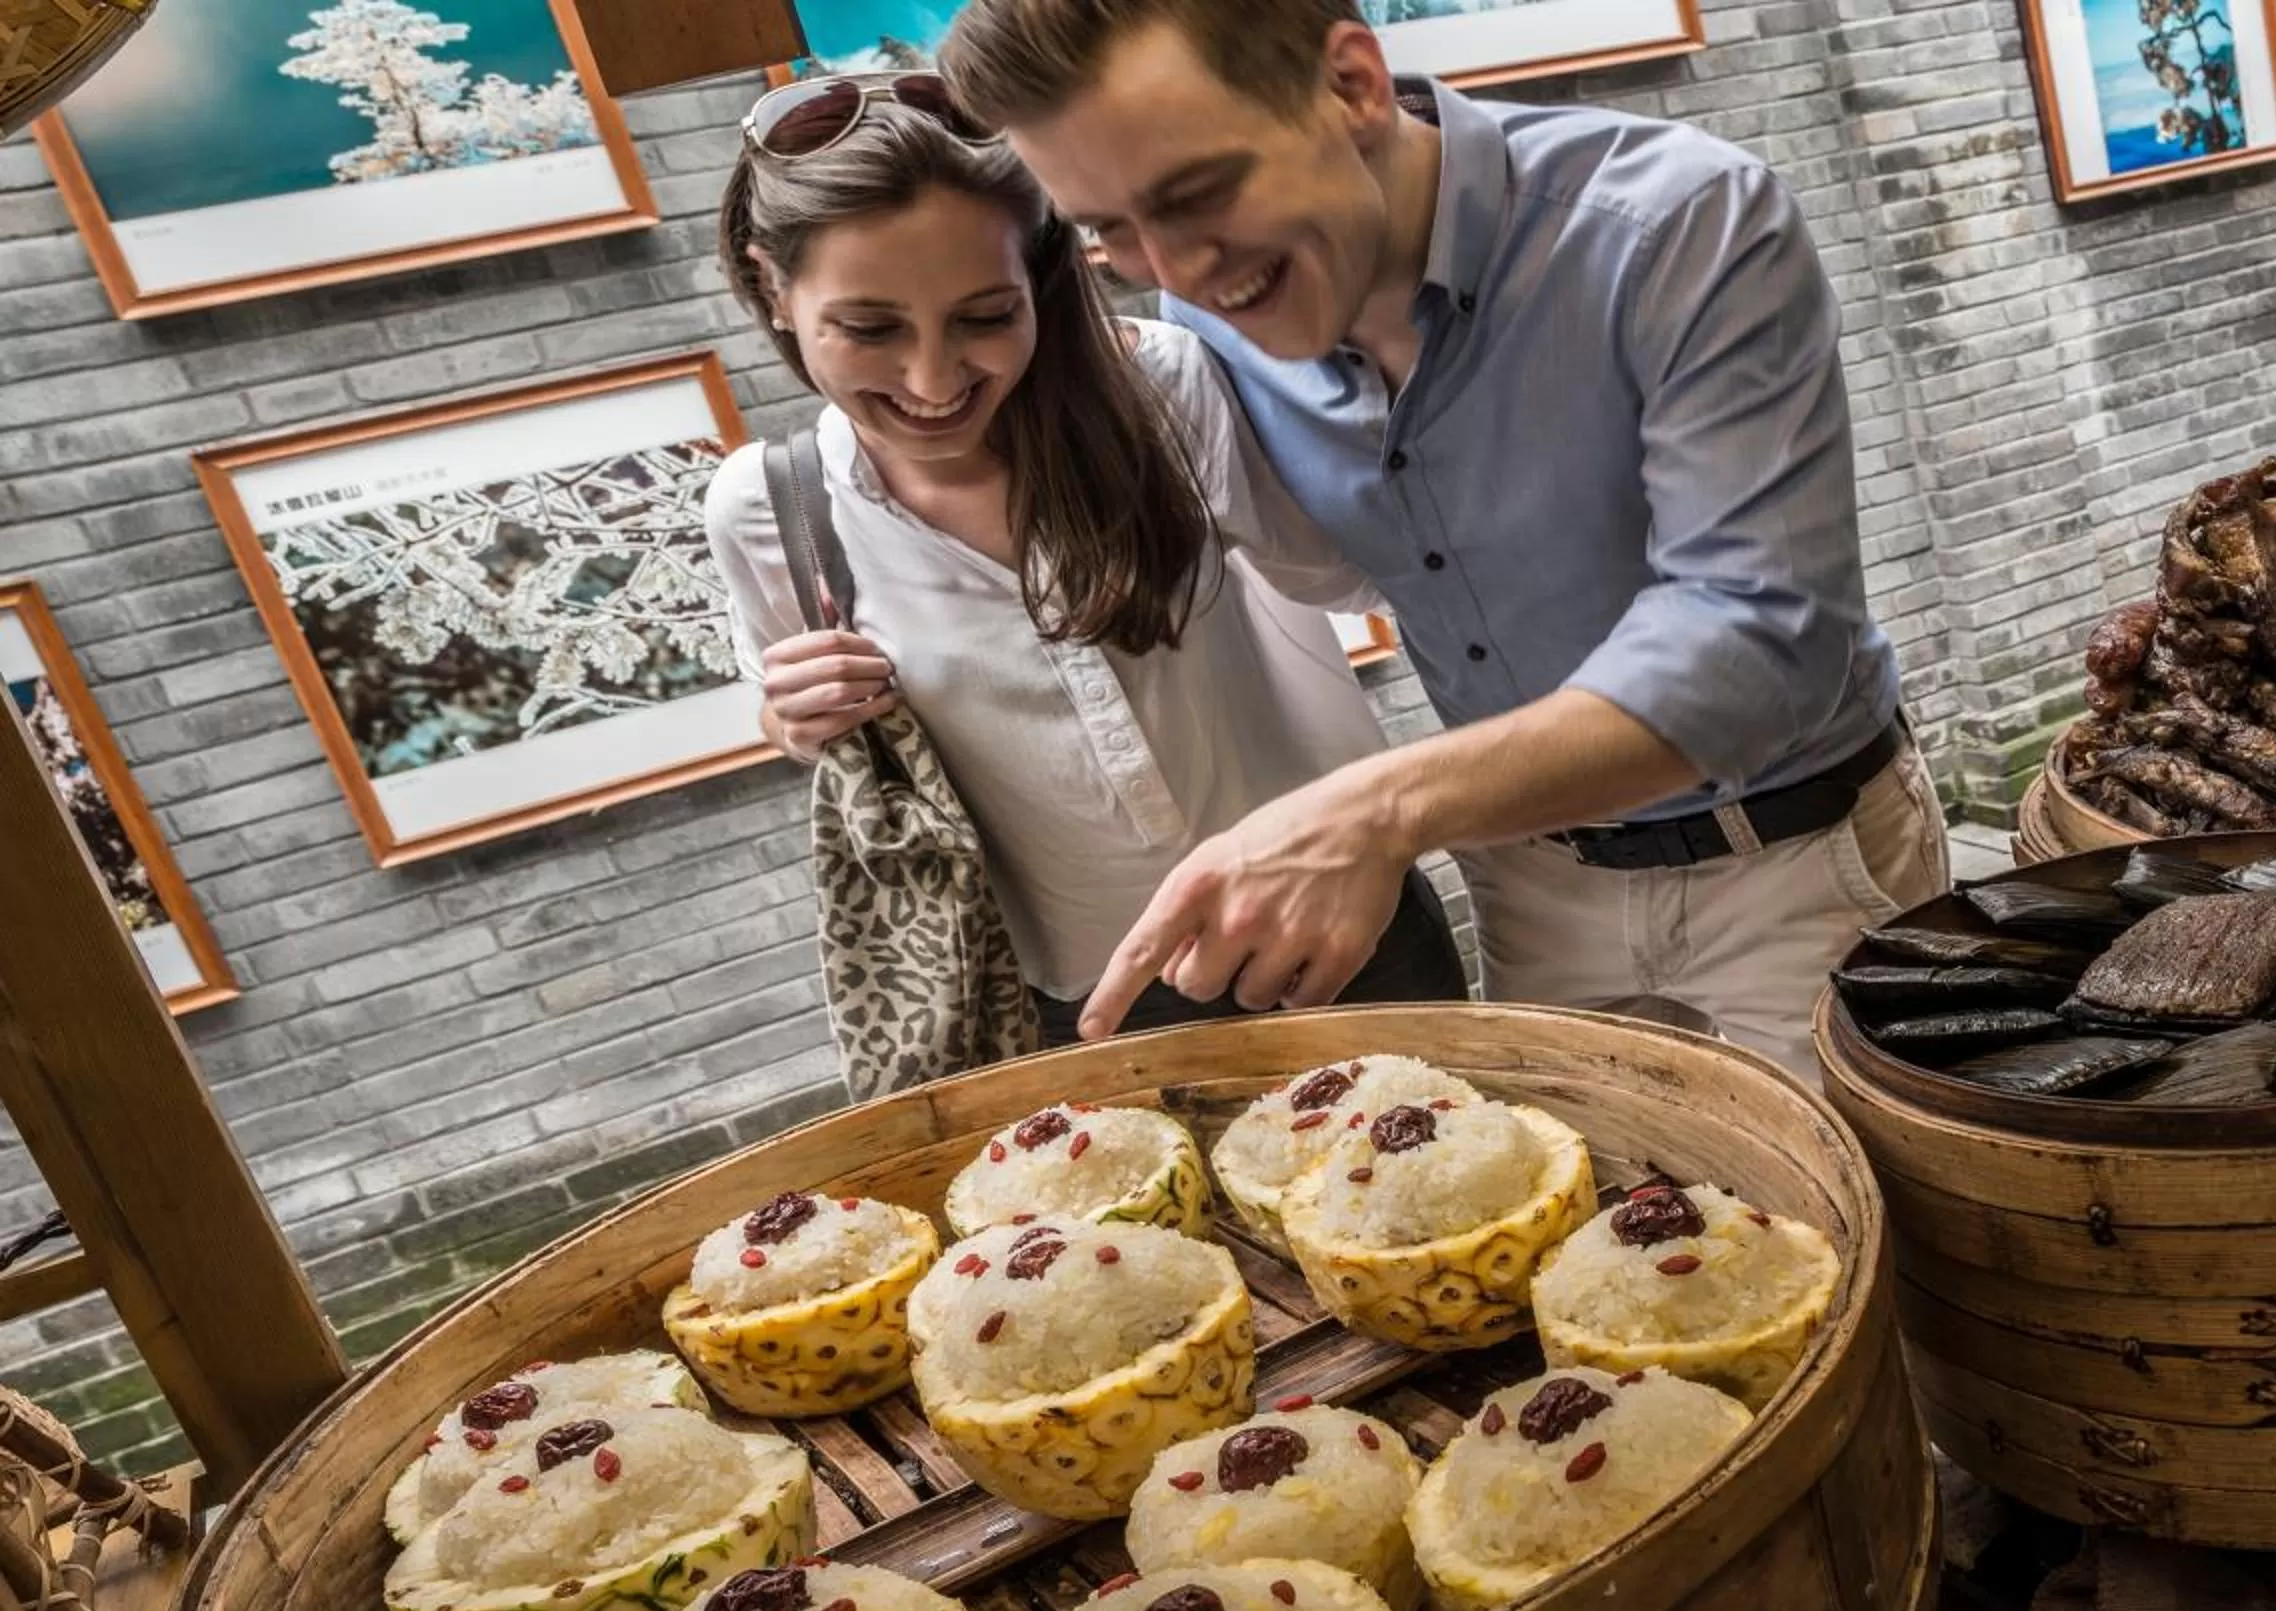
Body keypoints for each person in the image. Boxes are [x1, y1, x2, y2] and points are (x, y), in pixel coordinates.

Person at [939, 0, 1947, 1078]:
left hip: (1797, 863)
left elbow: (1761, 641)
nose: (1177, 269)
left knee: (1872, 1231)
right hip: (1530, 883)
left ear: (1353, 86)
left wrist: (1378, 809)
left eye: (1197, 193)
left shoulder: (1677, 223)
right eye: (1112, 233)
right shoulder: (1208, 319)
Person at [705, 72, 1469, 1045]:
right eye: (870, 328)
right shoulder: (769, 509)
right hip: (1083, 1001)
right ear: (771, 285)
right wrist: (795, 712)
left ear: (1040, 273)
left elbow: (1362, 572)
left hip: (1336, 933)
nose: (935, 379)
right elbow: (812, 729)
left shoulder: (1161, 389)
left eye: (986, 315)